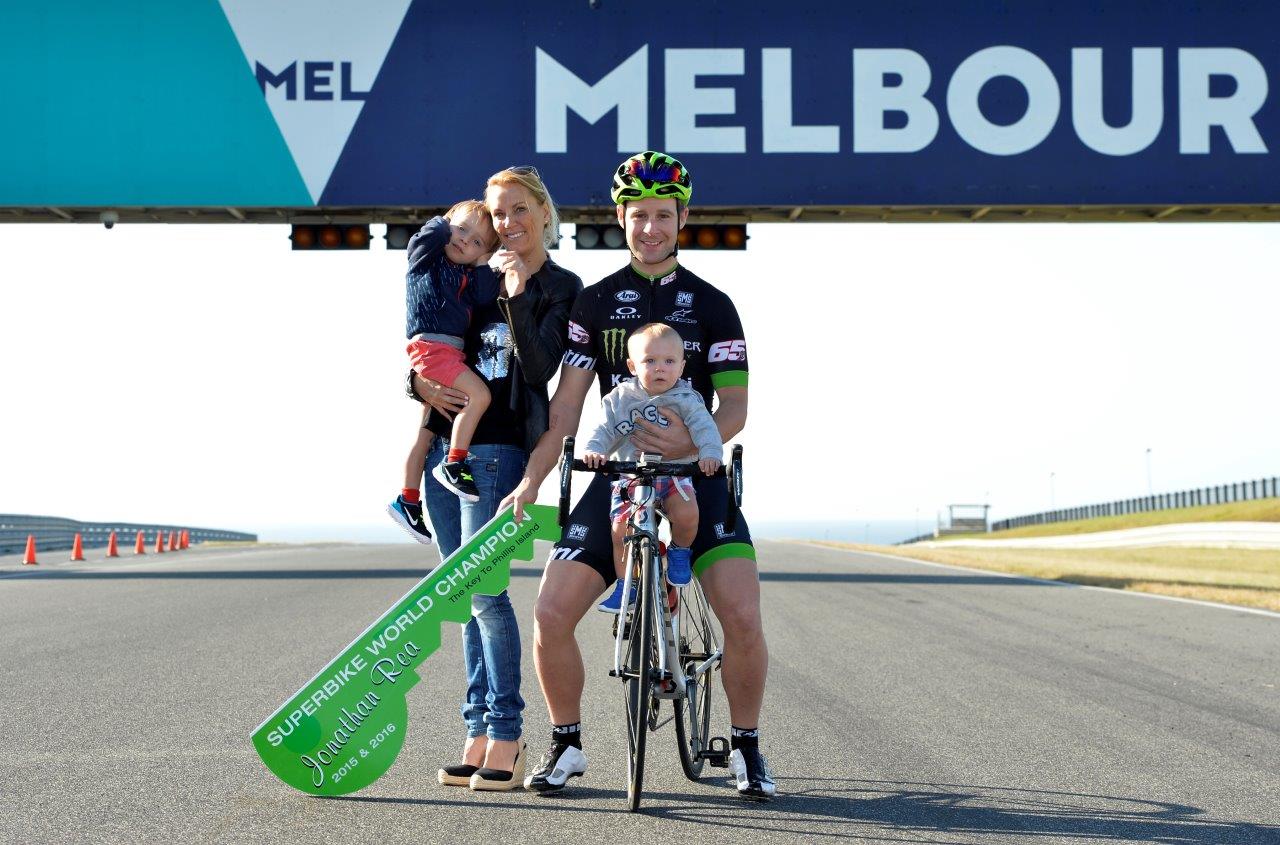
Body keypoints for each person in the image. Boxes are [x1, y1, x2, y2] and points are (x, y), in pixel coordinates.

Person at [503, 151, 775, 800]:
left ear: (681, 218)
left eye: (662, 215)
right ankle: (566, 743)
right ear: (620, 218)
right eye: (638, 215)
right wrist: (533, 479)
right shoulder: (594, 303)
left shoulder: (714, 305)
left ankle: (746, 747)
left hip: (694, 474)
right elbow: (567, 410)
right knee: (549, 612)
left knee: (741, 613)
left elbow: (734, 405)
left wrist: (692, 438)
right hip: (619, 475)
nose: (649, 227)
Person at [415, 167, 583, 791]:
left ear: (542, 211)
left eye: (518, 210)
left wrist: (514, 294)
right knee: (464, 599)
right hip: (445, 449)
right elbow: (433, 344)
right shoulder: (472, 273)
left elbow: (539, 367)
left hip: (499, 451)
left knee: (486, 597)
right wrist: (416, 387)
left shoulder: (562, 286)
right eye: (497, 213)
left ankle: (505, 735)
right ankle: (476, 731)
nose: (507, 224)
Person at [581, 322, 722, 612]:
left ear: (682, 367)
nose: (660, 368)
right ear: (632, 366)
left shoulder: (687, 399)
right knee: (620, 530)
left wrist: (709, 453)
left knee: (687, 514)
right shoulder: (620, 398)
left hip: (675, 473)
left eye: (669, 361)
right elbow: (604, 430)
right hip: (633, 476)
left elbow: (706, 429)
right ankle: (626, 586)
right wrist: (594, 450)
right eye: (650, 361)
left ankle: (680, 552)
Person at [388, 201, 501, 543]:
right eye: (462, 230)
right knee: (480, 396)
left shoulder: (468, 273)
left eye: (479, 242)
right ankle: (455, 463)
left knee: (425, 433)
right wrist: (447, 224)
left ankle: (407, 500)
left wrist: (482, 261)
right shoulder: (426, 260)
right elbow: (428, 235)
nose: (466, 241)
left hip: (448, 352)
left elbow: (485, 296)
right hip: (434, 349)